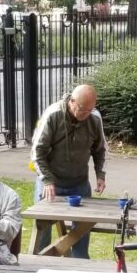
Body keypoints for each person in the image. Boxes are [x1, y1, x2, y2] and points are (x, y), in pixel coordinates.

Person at [31, 84, 107, 259]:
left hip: (79, 183)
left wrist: (100, 174)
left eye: (91, 109)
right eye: (83, 109)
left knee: (82, 228)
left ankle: (80, 263)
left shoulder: (94, 117)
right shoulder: (53, 115)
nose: (86, 114)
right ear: (72, 102)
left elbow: (100, 149)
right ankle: (42, 263)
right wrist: (48, 180)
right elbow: (37, 153)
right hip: (51, 182)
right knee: (43, 228)